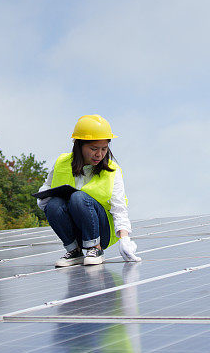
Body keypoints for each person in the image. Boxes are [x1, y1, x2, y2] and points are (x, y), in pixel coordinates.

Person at [36, 114, 141, 267]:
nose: (99, 154)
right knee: (54, 204)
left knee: (78, 198)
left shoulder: (112, 171)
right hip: (75, 229)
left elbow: (119, 208)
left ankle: (95, 249)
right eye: (93, 149)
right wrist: (44, 200)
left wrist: (124, 239)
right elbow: (46, 187)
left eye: (104, 149)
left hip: (101, 231)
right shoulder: (61, 163)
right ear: (79, 146)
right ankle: (74, 251)